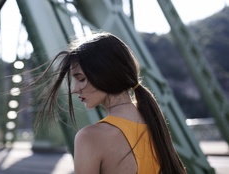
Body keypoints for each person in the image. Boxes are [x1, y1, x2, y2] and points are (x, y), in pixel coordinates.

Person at [31, 32, 186, 174]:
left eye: (81, 79)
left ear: (105, 74)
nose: (74, 89)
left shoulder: (90, 137)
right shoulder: (153, 122)